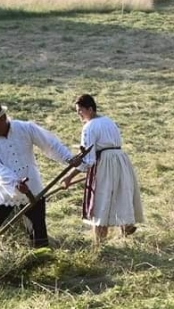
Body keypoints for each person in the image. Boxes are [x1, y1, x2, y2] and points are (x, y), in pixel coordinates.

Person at [0, 98, 80, 258]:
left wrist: (69, 159)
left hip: (33, 188)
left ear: (3, 118)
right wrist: (16, 184)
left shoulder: (25, 128)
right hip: (4, 191)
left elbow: (49, 144)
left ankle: (42, 262)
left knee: (38, 231)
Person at [61, 94, 144, 244]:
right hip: (121, 161)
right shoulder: (109, 121)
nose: (78, 114)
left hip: (105, 164)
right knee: (120, 195)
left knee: (101, 202)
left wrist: (69, 177)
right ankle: (125, 227)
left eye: (80, 110)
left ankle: (100, 243)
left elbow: (88, 160)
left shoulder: (89, 127)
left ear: (90, 109)